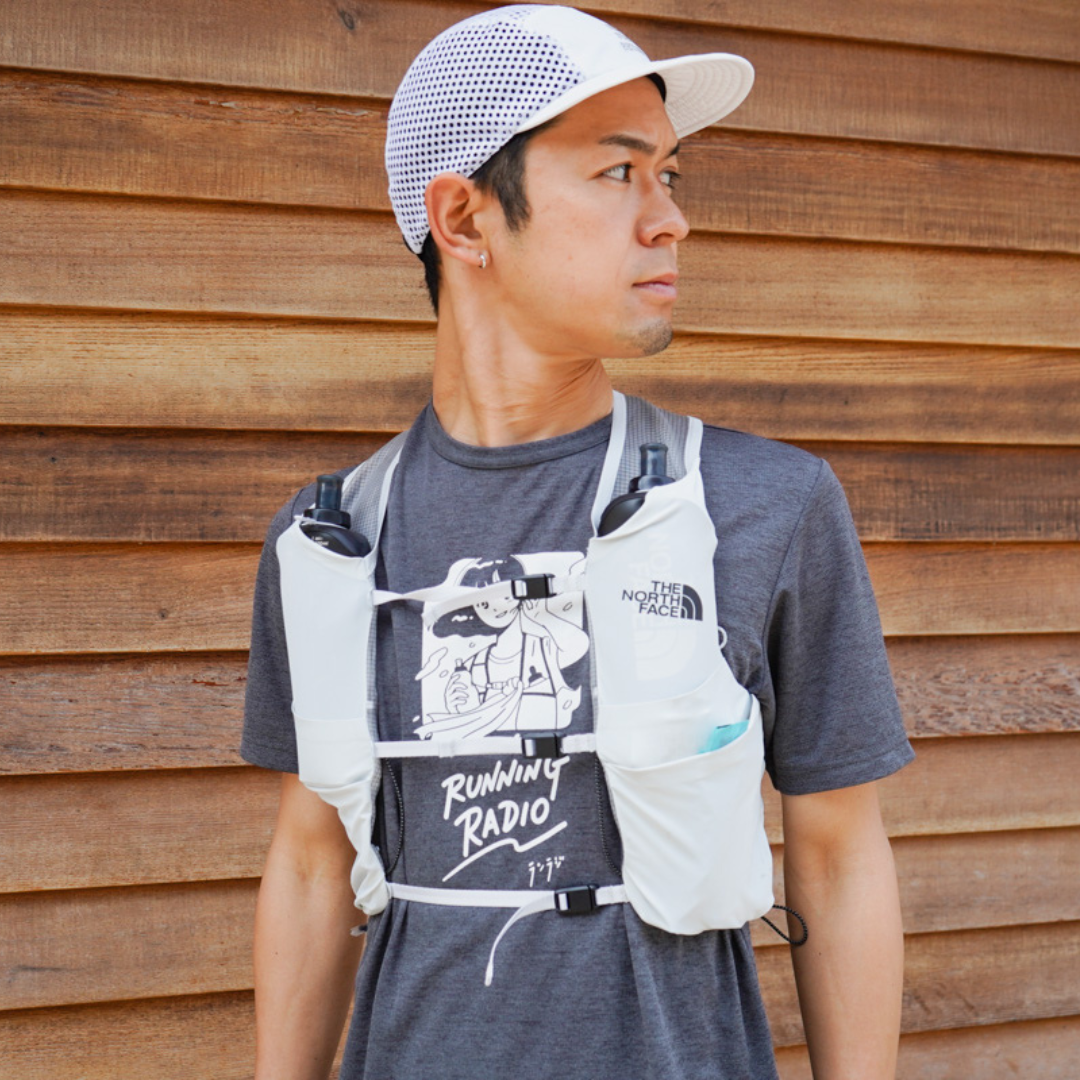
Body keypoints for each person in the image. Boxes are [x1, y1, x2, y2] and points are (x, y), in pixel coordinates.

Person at [240, 6, 913, 1078]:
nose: (670, 220)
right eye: (618, 173)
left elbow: (838, 858)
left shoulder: (761, 503)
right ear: (464, 220)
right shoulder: (332, 540)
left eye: (670, 176)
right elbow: (313, 866)